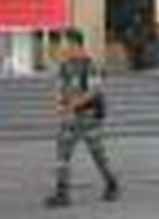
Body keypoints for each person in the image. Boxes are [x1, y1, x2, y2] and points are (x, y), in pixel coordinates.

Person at [46, 28, 120, 208]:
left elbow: (94, 91)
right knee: (62, 155)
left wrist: (72, 105)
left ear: (75, 44)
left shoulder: (90, 65)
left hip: (89, 119)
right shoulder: (65, 66)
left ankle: (112, 184)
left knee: (98, 155)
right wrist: (58, 102)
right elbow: (60, 87)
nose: (62, 47)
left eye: (65, 43)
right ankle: (62, 192)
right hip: (70, 120)